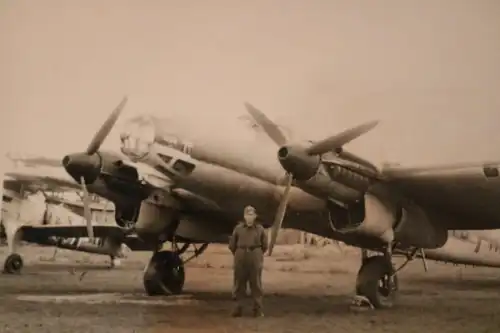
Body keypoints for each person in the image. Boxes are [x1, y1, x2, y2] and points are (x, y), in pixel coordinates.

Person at [228, 205, 268, 317]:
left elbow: (265, 245)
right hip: (240, 255)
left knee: (256, 283)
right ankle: (237, 308)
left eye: (251, 215)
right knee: (239, 283)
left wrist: (257, 253)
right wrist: (239, 253)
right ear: (244, 216)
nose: (249, 217)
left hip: (255, 254)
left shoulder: (260, 229)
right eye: (247, 215)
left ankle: (258, 309)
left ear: (255, 216)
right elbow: (232, 245)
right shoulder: (238, 228)